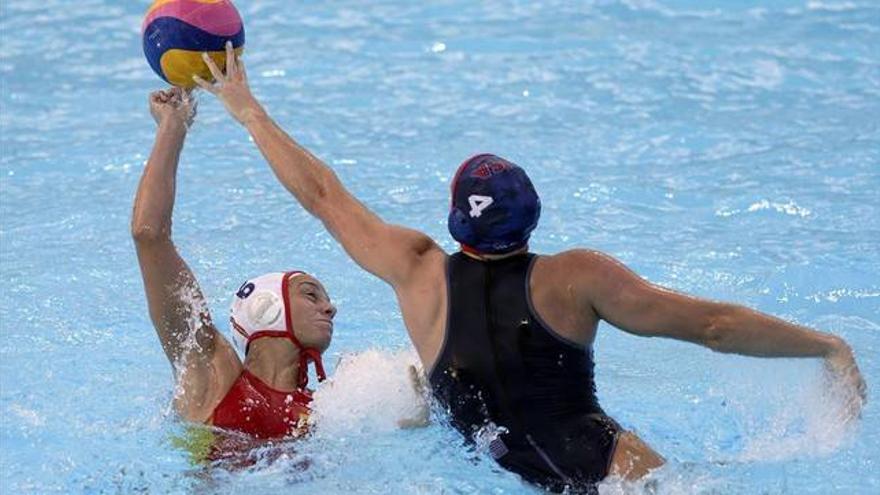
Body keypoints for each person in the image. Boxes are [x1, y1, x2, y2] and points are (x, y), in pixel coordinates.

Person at [194, 43, 866, 493]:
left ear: (457, 221)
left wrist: (247, 109)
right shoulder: (575, 279)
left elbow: (323, 195)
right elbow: (715, 327)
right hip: (619, 476)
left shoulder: (419, 272)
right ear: (533, 215)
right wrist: (827, 344)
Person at [131, 86, 337, 444]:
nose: (330, 307)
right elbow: (149, 235)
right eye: (311, 295)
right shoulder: (212, 373)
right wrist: (172, 126)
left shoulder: (329, 408)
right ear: (267, 306)